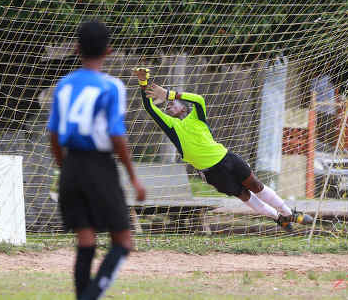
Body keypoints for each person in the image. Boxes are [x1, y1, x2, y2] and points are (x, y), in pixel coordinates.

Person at [134, 68, 312, 231]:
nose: (169, 105)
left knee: (256, 185)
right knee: (245, 195)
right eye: (167, 105)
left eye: (173, 103)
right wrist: (144, 82)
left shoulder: (197, 116)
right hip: (212, 173)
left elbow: (198, 99)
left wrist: (168, 94)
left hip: (227, 158)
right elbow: (149, 107)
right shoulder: (171, 126)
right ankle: (278, 218)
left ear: (184, 105)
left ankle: (290, 213)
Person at [47, 21, 146, 300]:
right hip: (99, 166)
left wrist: (64, 167)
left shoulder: (64, 85)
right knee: (123, 242)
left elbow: (53, 133)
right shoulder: (112, 86)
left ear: (77, 49)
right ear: (110, 51)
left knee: (86, 240)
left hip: (71, 166)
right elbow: (116, 135)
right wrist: (133, 176)